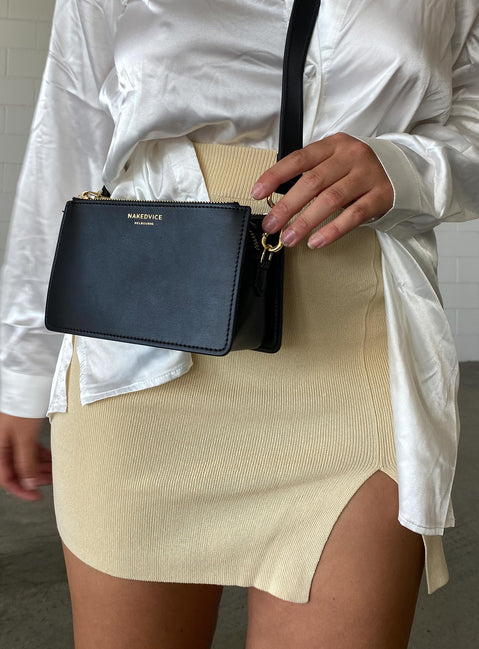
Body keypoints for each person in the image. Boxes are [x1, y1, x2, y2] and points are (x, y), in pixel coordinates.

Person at [0, 1, 478, 647]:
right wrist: (23, 372)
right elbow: (65, 138)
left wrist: (404, 167)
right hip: (139, 359)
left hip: (355, 362)